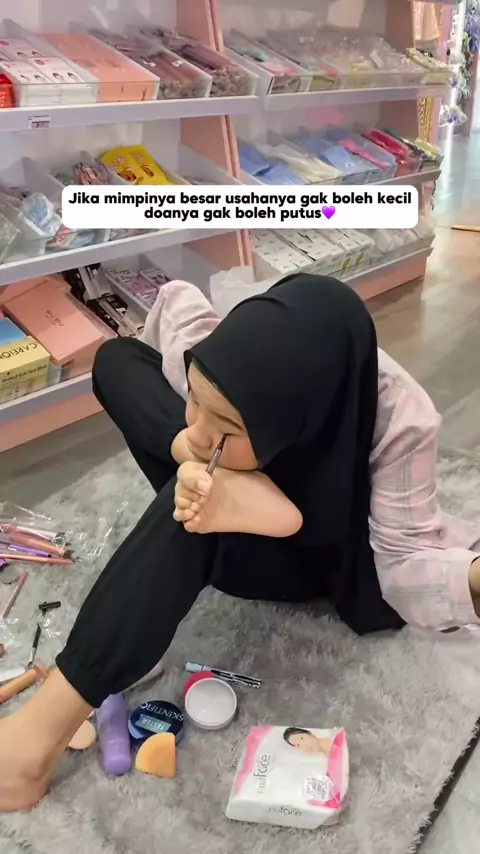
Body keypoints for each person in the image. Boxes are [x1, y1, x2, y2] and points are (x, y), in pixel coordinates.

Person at [0, 273, 479, 813]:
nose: (202, 430)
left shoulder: (401, 420)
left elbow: (404, 561)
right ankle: (236, 481)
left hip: (306, 556)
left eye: (225, 428)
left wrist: (473, 577)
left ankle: (35, 743)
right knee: (117, 360)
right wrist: (189, 443)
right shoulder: (241, 340)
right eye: (195, 402)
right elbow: (176, 309)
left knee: (191, 505)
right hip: (242, 473)